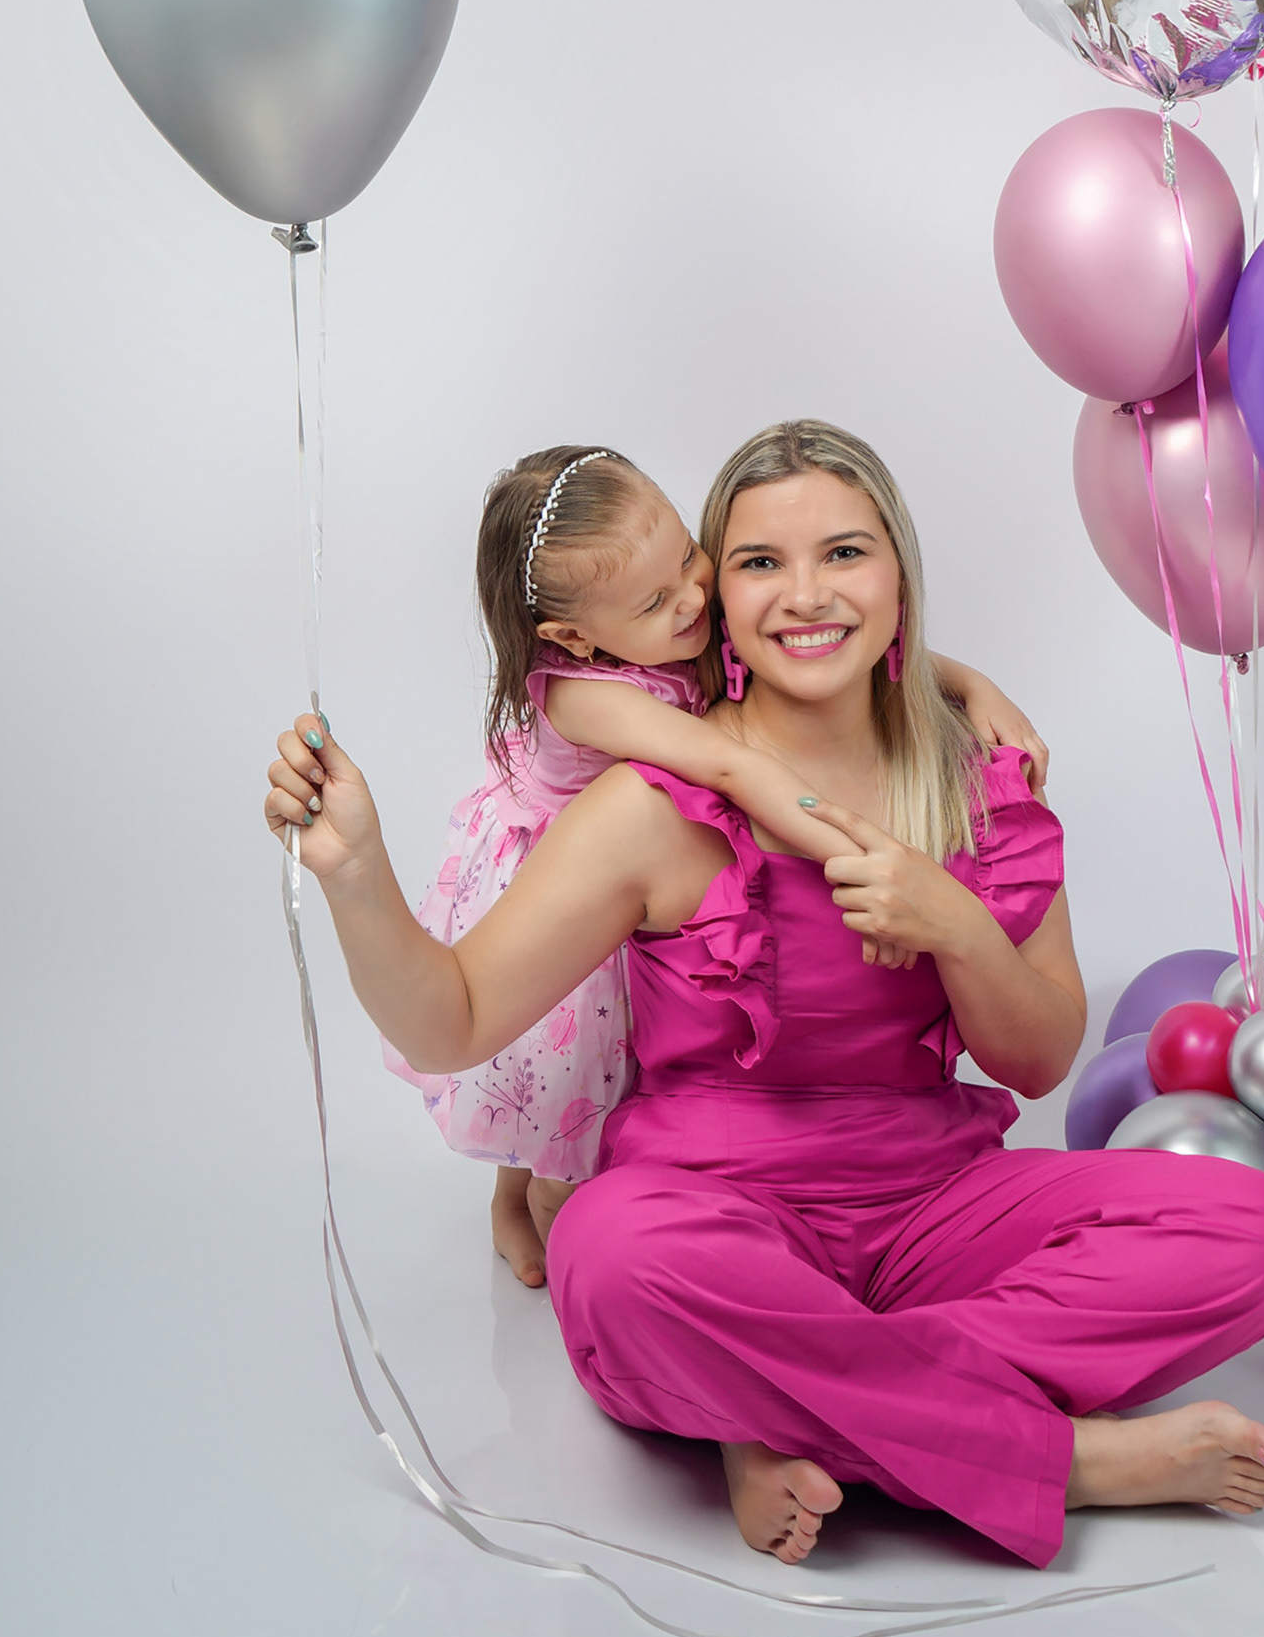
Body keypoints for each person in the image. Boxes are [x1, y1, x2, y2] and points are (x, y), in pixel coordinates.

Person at [265, 420, 1264, 1570]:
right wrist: (358, 876)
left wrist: (955, 925)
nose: (806, 594)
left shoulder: (981, 785)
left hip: (936, 1203)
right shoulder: (652, 802)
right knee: (610, 1255)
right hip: (711, 1214)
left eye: (845, 552)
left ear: (899, 575)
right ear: (720, 592)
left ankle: (777, 1406)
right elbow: (451, 1017)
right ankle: (1072, 1461)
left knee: (1253, 1230)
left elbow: (1040, 1056)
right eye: (761, 561)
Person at [375, 442, 1048, 1286]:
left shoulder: (676, 624)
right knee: (559, 1099)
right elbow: (730, 768)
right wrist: (863, 859)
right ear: (576, 637)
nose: (696, 599)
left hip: (646, 876)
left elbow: (868, 640)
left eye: (690, 558)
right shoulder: (586, 695)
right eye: (658, 599)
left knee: (617, 1071)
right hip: (566, 872)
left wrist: (975, 686)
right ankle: (530, 1209)